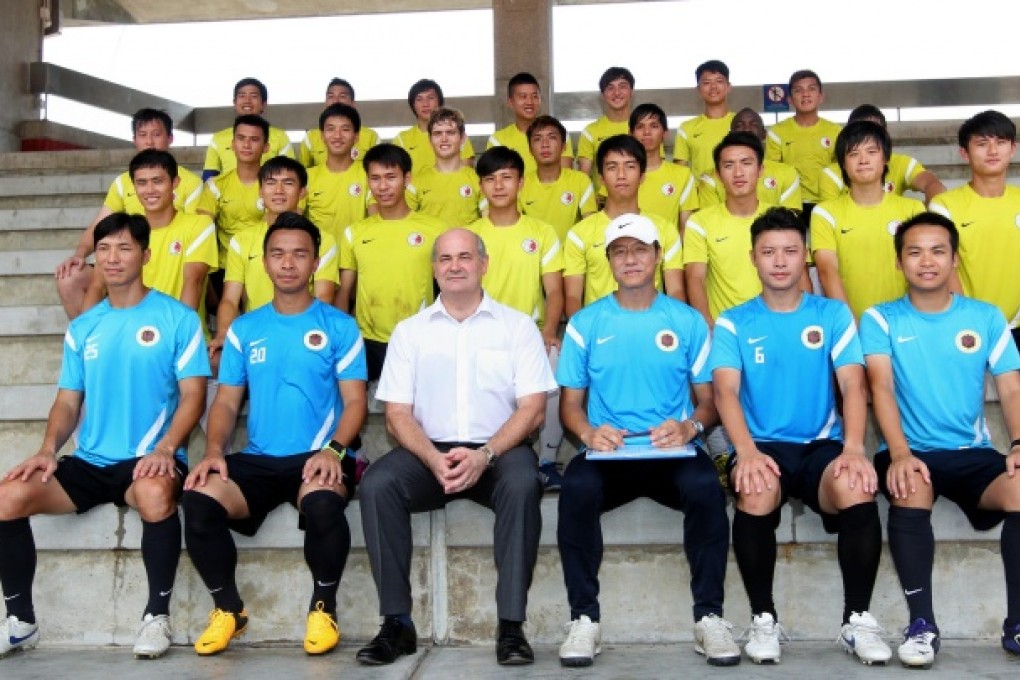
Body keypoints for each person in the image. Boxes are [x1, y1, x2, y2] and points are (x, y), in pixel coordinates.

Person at [0, 212, 209, 660]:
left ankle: (157, 616)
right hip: (91, 461)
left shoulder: (178, 319)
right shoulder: (83, 327)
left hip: (149, 458)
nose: (112, 258)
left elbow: (194, 396)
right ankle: (20, 621)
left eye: (124, 248)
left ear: (146, 255)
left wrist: (167, 447)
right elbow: (68, 401)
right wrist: (47, 450)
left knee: (155, 495)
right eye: (105, 249)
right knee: (7, 497)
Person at [356, 228, 555, 666]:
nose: (455, 266)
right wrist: (432, 457)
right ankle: (396, 624)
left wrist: (485, 455)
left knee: (524, 484)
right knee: (377, 485)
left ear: (484, 264)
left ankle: (511, 626)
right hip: (429, 452)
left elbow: (533, 410)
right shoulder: (410, 332)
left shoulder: (517, 326)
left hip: (499, 449)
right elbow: (397, 415)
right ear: (434, 269)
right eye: (445, 259)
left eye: (465, 257)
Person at [555, 213, 738, 668]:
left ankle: (710, 618)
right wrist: (587, 433)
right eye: (620, 251)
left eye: (640, 250)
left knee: (705, 490)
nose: (630, 259)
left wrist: (690, 427)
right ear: (609, 261)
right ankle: (583, 620)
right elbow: (570, 407)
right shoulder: (585, 323)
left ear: (658, 256)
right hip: (608, 454)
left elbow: (708, 402)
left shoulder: (688, 321)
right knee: (574, 490)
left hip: (670, 451)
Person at [711, 206, 891, 665]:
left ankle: (857, 620)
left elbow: (854, 383)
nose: (779, 261)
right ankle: (763, 619)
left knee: (856, 482)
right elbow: (726, 392)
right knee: (754, 487)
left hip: (820, 446)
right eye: (768, 252)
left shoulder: (831, 314)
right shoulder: (734, 321)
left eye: (790, 251)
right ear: (753, 258)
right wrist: (745, 451)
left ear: (804, 256)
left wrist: (853, 447)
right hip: (761, 446)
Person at [182, 212, 366, 657]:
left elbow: (356, 402)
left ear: (315, 262)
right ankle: (228, 609)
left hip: (318, 453)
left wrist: (334, 450)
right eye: (278, 254)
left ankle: (323, 608)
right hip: (260, 458)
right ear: (263, 262)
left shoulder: (339, 326)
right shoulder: (245, 329)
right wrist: (212, 451)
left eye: (299, 254)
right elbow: (226, 402)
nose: (288, 263)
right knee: (198, 496)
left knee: (324, 503)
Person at [860, 211, 1020, 666]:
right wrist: (900, 453)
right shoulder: (880, 319)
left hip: (972, 454)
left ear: (954, 259)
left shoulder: (986, 317)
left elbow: (1010, 387)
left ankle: (1018, 626)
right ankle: (921, 625)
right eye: (914, 252)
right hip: (911, 451)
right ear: (898, 262)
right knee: (910, 485)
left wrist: (1019, 444)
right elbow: (881, 388)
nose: (926, 261)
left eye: (937, 251)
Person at [468, 146, 566, 488]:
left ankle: (548, 460)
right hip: (480, 332)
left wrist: (550, 329)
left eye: (507, 178)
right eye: (490, 179)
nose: (498, 186)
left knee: (555, 359)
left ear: (521, 183)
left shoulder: (542, 232)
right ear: (480, 185)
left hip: (529, 334)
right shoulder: (469, 235)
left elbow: (554, 290)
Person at [55, 108, 203, 319]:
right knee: (69, 277)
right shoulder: (123, 182)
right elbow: (101, 221)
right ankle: (92, 339)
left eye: (156, 134)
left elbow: (191, 235)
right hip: (128, 257)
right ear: (134, 140)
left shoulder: (191, 184)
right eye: (143, 135)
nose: (149, 141)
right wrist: (79, 254)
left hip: (171, 259)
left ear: (170, 138)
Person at [210, 157, 340, 371]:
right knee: (214, 360)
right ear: (260, 191)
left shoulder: (322, 239)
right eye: (271, 183)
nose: (278, 190)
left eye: (288, 183)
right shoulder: (242, 240)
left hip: (302, 332)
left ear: (302, 192)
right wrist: (223, 334)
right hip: (256, 333)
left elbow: (323, 298)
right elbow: (230, 300)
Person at [337, 144, 447, 382]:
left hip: (422, 337)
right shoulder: (354, 233)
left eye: (391, 177)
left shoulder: (436, 229)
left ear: (407, 178)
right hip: (369, 341)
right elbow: (345, 291)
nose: (383, 186)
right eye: (375, 178)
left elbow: (448, 287)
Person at [80, 149, 218, 320]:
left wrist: (179, 334)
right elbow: (97, 287)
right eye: (142, 183)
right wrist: (84, 331)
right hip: (129, 332)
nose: (150, 190)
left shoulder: (199, 225)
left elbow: (193, 282)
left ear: (175, 182)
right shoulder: (124, 233)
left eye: (157, 181)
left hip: (176, 331)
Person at [811, 121, 925, 320]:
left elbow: (922, 270)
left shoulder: (913, 210)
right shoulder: (825, 213)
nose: (863, 160)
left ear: (886, 159)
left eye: (871, 152)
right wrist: (849, 328)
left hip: (905, 324)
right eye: (854, 154)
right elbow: (827, 271)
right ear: (843, 164)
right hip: (852, 326)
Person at [564, 134, 684, 318]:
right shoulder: (579, 233)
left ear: (642, 175)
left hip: (652, 328)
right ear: (602, 178)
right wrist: (583, 332)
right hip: (600, 332)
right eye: (612, 167)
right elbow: (573, 296)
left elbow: (675, 290)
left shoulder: (665, 229)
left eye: (630, 166)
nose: (621, 175)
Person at [930, 110, 1020, 349]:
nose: (992, 151)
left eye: (1000, 142)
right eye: (982, 143)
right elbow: (944, 267)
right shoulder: (945, 205)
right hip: (969, 325)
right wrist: (969, 318)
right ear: (964, 152)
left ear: (1013, 149)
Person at [685, 132, 792, 328]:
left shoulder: (782, 219)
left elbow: (798, 276)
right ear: (717, 174)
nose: (738, 173)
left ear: (761, 170)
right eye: (728, 165)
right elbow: (695, 278)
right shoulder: (699, 222)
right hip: (726, 332)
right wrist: (708, 327)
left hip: (779, 326)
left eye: (746, 163)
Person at [818, 104, 945, 204]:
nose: (864, 160)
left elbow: (933, 185)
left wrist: (934, 214)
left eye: (875, 132)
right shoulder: (831, 174)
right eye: (861, 133)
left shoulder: (901, 163)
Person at [196, 115, 272, 272]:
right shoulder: (215, 185)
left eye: (254, 139)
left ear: (266, 147)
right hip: (225, 268)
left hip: (265, 267)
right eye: (241, 138)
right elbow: (202, 230)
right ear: (232, 144)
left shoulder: (276, 186)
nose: (246, 144)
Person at [765, 70, 842, 218]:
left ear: (820, 97)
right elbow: (773, 171)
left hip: (827, 202)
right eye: (798, 90)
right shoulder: (777, 132)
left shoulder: (836, 132)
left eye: (811, 89)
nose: (805, 94)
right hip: (791, 204)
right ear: (790, 100)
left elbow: (842, 170)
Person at [698, 108, 802, 210]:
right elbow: (710, 220)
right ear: (730, 133)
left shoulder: (787, 173)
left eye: (754, 125)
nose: (747, 129)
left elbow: (789, 221)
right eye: (740, 125)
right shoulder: (710, 177)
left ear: (764, 134)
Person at [519, 115, 597, 241]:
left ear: (563, 147)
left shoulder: (581, 181)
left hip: (572, 257)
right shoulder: (520, 185)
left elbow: (590, 227)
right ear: (530, 150)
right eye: (538, 139)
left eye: (552, 137)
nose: (545, 144)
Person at [202, 78, 293, 180]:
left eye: (254, 96)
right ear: (235, 103)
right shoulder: (218, 138)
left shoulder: (280, 137)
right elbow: (208, 178)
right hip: (228, 194)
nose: (247, 101)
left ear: (264, 104)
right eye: (242, 96)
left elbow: (289, 174)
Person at [304, 103, 369, 245]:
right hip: (320, 260)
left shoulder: (368, 174)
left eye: (345, 129)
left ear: (356, 136)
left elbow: (376, 218)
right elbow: (295, 218)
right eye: (330, 129)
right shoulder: (307, 177)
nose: (337, 136)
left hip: (357, 256)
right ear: (322, 136)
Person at [408, 108, 482, 227]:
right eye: (437, 133)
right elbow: (406, 225)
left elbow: (489, 221)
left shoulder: (478, 180)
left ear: (463, 138)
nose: (444, 139)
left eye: (450, 132)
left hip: (467, 244)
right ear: (430, 140)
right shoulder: (415, 183)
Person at [629, 102, 698, 229]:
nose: (647, 132)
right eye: (640, 127)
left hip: (670, 248)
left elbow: (685, 230)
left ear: (665, 133)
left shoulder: (683, 175)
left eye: (654, 126)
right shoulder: (620, 174)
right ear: (631, 134)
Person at [487, 72, 573, 173]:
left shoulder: (558, 134)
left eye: (534, 96)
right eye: (523, 96)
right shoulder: (497, 140)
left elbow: (564, 177)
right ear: (510, 102)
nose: (530, 102)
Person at [393, 79, 475, 173]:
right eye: (419, 99)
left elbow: (466, 172)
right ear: (413, 105)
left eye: (430, 98)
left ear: (439, 101)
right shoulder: (402, 139)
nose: (425, 104)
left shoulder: (457, 135)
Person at [577, 67, 635, 195]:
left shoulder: (643, 128)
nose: (617, 93)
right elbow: (583, 177)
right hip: (604, 205)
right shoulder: (590, 132)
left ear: (631, 91)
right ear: (603, 95)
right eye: (610, 88)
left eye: (622, 86)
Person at [674, 60, 735, 180]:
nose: (713, 87)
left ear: (728, 87)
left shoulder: (742, 123)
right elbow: (679, 173)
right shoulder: (686, 128)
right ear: (698, 90)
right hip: (700, 197)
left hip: (738, 196)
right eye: (707, 82)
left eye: (719, 81)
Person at [298, 78, 379, 167]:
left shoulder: (371, 137)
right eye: (331, 96)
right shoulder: (310, 138)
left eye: (342, 96)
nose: (335, 100)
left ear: (353, 103)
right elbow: (302, 174)